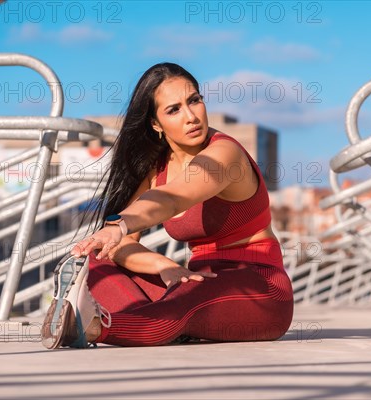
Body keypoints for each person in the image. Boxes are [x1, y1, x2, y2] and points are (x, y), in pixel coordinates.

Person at [41, 63, 294, 348]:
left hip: (260, 291)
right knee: (101, 262)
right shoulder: (156, 168)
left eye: (194, 100)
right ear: (155, 124)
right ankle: (155, 322)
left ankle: (93, 326)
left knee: (188, 300)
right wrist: (165, 266)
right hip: (196, 280)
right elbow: (122, 245)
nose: (191, 117)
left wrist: (120, 224)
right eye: (174, 110)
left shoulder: (225, 153)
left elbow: (173, 197)